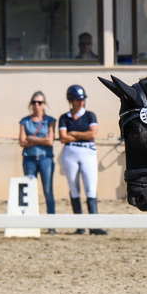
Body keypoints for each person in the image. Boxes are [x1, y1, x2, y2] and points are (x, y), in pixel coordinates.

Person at [58, 84, 106, 235]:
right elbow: (63, 137)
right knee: (74, 188)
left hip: (87, 152)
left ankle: (94, 225)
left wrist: (73, 133)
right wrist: (82, 135)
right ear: (71, 101)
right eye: (78, 99)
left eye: (82, 99)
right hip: (70, 153)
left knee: (90, 187)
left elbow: (92, 134)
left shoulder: (90, 115)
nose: (81, 102)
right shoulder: (64, 117)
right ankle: (79, 225)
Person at [18, 91, 56, 233]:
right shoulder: (24, 121)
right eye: (34, 102)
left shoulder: (50, 120)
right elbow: (22, 142)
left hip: (46, 159)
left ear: (44, 104)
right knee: (29, 191)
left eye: (39, 102)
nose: (36, 105)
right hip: (29, 159)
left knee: (48, 191)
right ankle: (29, 224)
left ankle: (51, 225)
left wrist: (31, 139)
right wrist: (41, 140)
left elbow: (50, 141)